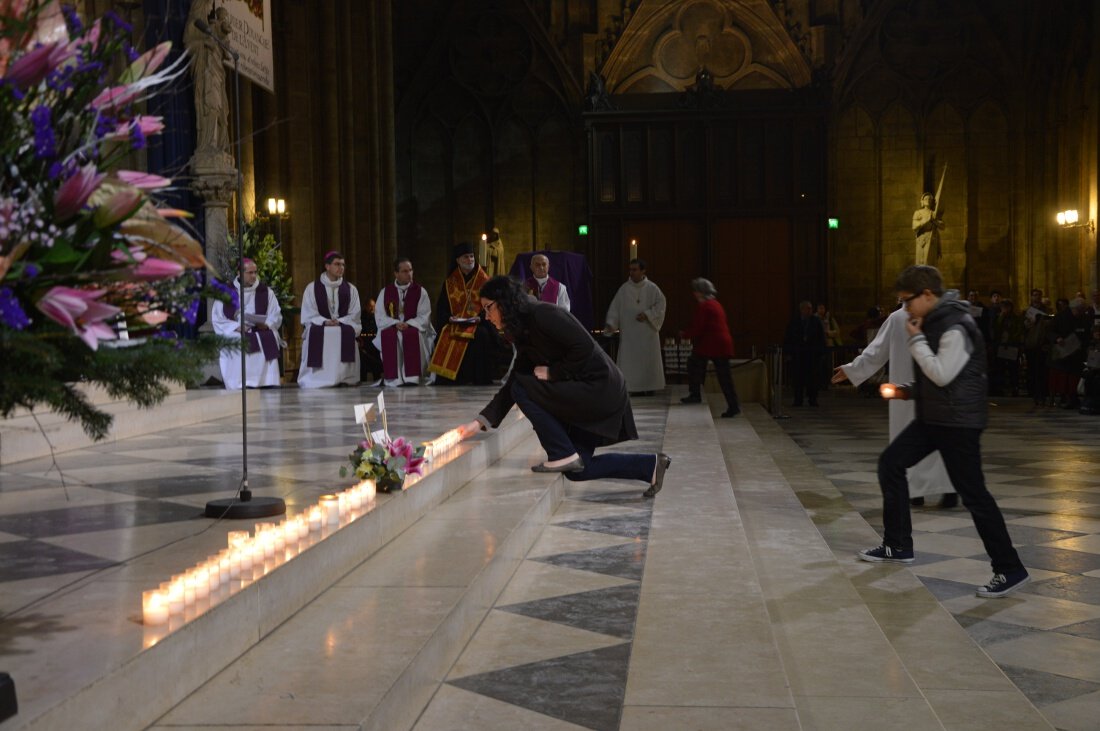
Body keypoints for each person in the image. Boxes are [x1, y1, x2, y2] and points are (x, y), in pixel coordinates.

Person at [858, 265, 1028, 598]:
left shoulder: (957, 327)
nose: (905, 308)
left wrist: (916, 340)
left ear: (928, 295)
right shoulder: (934, 321)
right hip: (934, 419)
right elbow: (933, 379)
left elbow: (941, 375)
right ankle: (897, 545)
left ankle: (1010, 568)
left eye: (908, 301)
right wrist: (904, 390)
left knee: (975, 496)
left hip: (958, 425)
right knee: (890, 463)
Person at [457, 276, 671, 498]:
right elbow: (515, 377)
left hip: (599, 389)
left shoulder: (544, 314)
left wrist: (554, 373)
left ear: (504, 302)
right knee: (578, 470)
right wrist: (480, 421)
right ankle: (651, 466)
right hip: (584, 393)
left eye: (488, 308)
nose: (486, 316)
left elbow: (583, 346)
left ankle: (561, 453)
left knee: (523, 387)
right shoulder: (524, 328)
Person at [833, 304, 958, 509]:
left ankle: (936, 491)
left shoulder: (910, 316)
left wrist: (852, 369)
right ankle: (930, 491)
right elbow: (876, 350)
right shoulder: (907, 317)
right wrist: (852, 370)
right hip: (914, 390)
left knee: (927, 440)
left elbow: (875, 351)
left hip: (926, 388)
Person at [429, 242, 495, 385]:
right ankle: (452, 379)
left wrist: (481, 317)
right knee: (447, 332)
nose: (470, 260)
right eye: (466, 257)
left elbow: (493, 305)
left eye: (472, 256)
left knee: (481, 335)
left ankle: (479, 378)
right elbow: (442, 308)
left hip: (479, 323)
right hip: (456, 322)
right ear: (458, 260)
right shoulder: (450, 282)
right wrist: (449, 317)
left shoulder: (484, 281)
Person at [211, 258, 283, 389]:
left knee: (268, 335)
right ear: (239, 273)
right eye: (250, 273)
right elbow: (218, 318)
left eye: (255, 272)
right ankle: (237, 382)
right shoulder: (226, 292)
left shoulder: (266, 292)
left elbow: (276, 314)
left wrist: (266, 324)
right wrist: (236, 327)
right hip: (237, 330)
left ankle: (266, 381)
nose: (254, 276)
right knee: (235, 339)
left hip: (260, 328)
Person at [297, 251, 362, 388]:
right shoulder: (312, 288)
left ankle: (344, 377)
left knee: (344, 332)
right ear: (327, 266)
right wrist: (324, 321)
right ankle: (316, 378)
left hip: (342, 325)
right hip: (320, 325)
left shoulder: (350, 289)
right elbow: (309, 313)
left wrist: (340, 321)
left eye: (343, 265)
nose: (341, 268)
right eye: (337, 264)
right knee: (318, 332)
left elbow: (355, 314)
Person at [679, 278, 740, 418]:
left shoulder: (705, 306)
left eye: (695, 291)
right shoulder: (715, 304)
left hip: (712, 344)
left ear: (700, 292)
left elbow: (699, 327)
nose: (694, 294)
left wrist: (685, 334)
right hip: (719, 344)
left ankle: (695, 394)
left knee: (694, 364)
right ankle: (733, 405)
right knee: (724, 377)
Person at [604, 259, 666, 396]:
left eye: (635, 270)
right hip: (630, 335)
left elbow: (661, 305)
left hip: (647, 334)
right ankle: (633, 389)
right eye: (630, 270)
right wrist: (611, 323)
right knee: (631, 362)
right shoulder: (624, 289)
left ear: (643, 271)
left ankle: (649, 387)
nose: (631, 273)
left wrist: (648, 315)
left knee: (647, 361)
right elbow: (615, 308)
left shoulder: (652, 288)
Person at [374, 257, 435, 387]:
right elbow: (380, 315)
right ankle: (395, 379)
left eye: (411, 270)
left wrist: (410, 324)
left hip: (414, 327)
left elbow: (424, 316)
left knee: (412, 335)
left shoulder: (420, 292)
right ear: (396, 274)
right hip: (393, 327)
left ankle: (412, 378)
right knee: (391, 335)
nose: (409, 274)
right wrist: (395, 323)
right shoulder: (385, 292)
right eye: (405, 271)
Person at [183, 0, 231, 154]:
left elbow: (228, 54)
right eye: (209, 4)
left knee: (220, 110)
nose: (211, 8)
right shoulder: (195, 22)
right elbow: (188, 45)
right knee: (209, 105)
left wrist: (221, 38)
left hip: (216, 74)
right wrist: (205, 44)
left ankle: (218, 146)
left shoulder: (211, 27)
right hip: (205, 73)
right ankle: (207, 145)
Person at [784, 301, 826, 406]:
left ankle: (813, 399)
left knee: (813, 378)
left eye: (810, 308)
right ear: (802, 310)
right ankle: (798, 399)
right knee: (798, 378)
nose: (809, 311)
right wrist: (789, 352)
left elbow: (821, 337)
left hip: (812, 354)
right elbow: (788, 338)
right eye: (807, 308)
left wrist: (821, 352)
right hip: (798, 354)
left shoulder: (816, 322)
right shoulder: (795, 322)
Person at [912, 192, 942, 265]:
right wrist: (926, 220)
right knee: (922, 263)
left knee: (931, 263)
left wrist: (934, 220)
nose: (928, 200)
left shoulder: (934, 214)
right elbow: (914, 226)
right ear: (922, 201)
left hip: (932, 240)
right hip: (922, 240)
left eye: (929, 199)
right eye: (926, 199)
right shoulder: (918, 213)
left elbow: (942, 226)